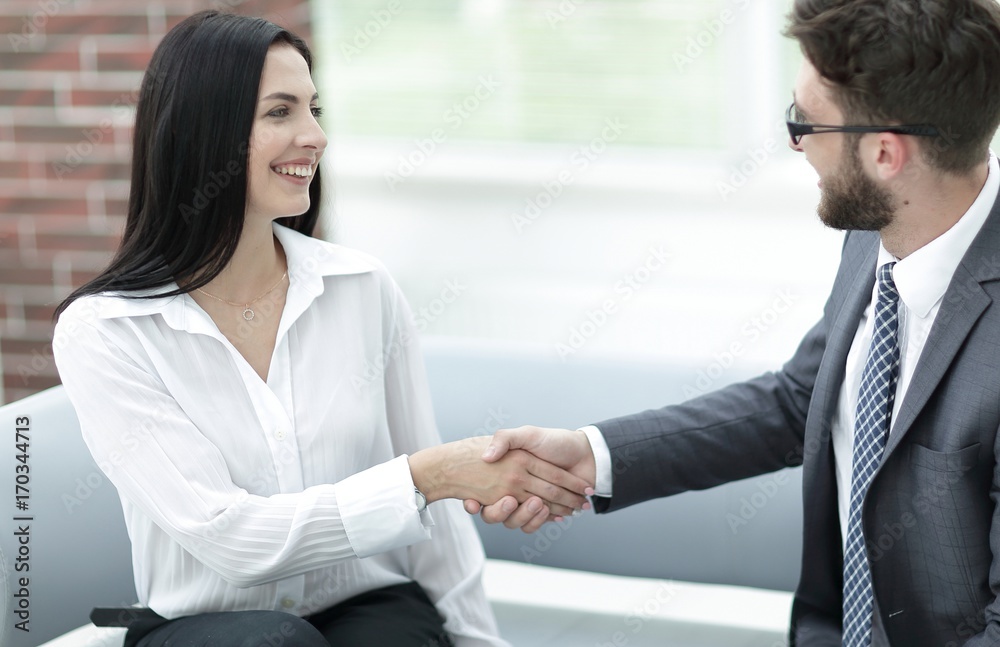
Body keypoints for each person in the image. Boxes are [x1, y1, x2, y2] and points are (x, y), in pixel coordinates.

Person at [467, 0, 1000, 645]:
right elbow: (802, 402)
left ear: (886, 153)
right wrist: (591, 457)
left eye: (806, 121)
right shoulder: (883, 229)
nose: (794, 141)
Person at [51, 11, 589, 647]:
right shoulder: (107, 332)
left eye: (314, 108)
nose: (315, 135)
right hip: (207, 632)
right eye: (280, 112)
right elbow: (228, 535)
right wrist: (425, 478)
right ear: (205, 133)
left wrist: (477, 640)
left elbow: (438, 527)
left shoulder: (361, 289)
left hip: (367, 606)